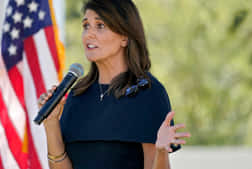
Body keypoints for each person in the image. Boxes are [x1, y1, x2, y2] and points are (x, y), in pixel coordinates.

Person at [38, 0, 191, 169]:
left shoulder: (148, 93)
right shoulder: (77, 95)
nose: (89, 34)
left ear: (125, 37)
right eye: (86, 26)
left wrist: (161, 151)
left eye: (100, 25)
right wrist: (51, 124)